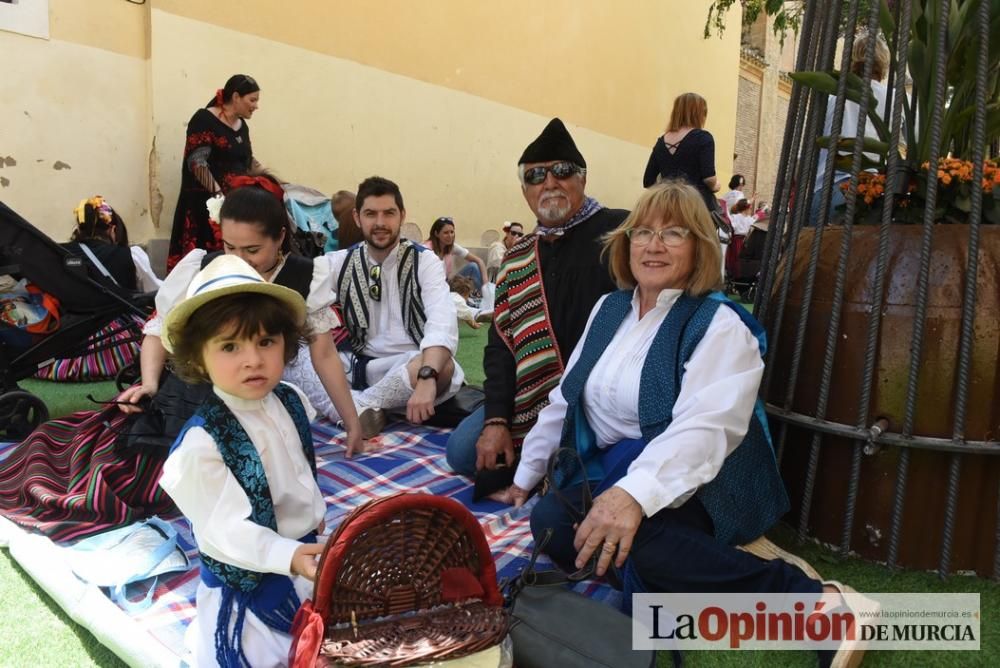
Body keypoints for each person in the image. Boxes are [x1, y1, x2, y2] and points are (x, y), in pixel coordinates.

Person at [490, 181, 868, 667]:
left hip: (707, 481)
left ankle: (815, 601)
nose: (653, 244)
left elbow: (706, 431)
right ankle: (686, 568)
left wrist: (631, 497)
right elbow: (566, 399)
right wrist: (525, 478)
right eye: (643, 232)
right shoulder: (609, 310)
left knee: (640, 545)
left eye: (673, 233)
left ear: (700, 247)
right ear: (625, 245)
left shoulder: (719, 324)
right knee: (552, 524)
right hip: (615, 469)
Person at [157, 254, 325, 667]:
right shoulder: (202, 443)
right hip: (247, 580)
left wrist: (312, 517)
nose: (253, 359)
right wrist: (284, 554)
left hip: (304, 558)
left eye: (266, 341)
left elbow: (299, 469)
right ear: (198, 359)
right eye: (230, 346)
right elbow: (223, 530)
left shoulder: (290, 399)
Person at [445, 118, 628, 494]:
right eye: (536, 176)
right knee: (462, 452)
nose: (549, 183)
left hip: (602, 399)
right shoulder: (519, 259)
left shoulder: (619, 235)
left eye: (562, 171)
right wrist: (496, 419)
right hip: (532, 401)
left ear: (583, 178)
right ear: (524, 190)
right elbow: (499, 346)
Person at [121, 182, 363, 454]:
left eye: (252, 250)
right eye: (230, 247)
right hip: (198, 394)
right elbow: (158, 329)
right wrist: (150, 383)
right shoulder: (201, 267)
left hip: (258, 388)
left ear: (280, 237)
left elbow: (325, 355)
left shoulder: (306, 277)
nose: (239, 259)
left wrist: (352, 423)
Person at [294, 176, 462, 446]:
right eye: (371, 214)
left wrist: (427, 376)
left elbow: (442, 320)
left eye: (389, 213)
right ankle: (361, 410)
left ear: (402, 216)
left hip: (409, 370)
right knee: (295, 352)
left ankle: (355, 407)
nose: (380, 223)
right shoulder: (338, 262)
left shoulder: (424, 261)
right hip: (356, 368)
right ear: (357, 218)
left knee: (444, 368)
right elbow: (299, 282)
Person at [34, 196, 143, 382]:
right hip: (116, 334)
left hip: (67, 334)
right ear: (113, 229)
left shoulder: (59, 254)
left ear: (78, 228)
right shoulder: (130, 255)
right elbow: (155, 291)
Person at [167, 74, 263, 271]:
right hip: (205, 208)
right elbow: (197, 163)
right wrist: (219, 196)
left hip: (234, 206)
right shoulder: (204, 120)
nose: (256, 106)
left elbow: (247, 161)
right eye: (252, 100)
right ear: (236, 97)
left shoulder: (242, 126)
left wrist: (272, 181)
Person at [811, 32, 893, 224]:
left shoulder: (833, 96)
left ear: (854, 58)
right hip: (873, 194)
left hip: (827, 191)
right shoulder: (894, 100)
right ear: (885, 63)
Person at [642, 92, 720, 212]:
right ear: (698, 114)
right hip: (696, 206)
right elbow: (709, 178)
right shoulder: (703, 137)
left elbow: (648, 181)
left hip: (667, 207)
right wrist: (716, 185)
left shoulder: (661, 142)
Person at [425, 217, 488, 290]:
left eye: (452, 232)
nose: (450, 236)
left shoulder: (451, 247)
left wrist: (486, 284)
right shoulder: (426, 249)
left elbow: (479, 261)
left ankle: (487, 296)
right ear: (436, 233)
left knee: (473, 267)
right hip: (432, 287)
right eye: (446, 233)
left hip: (447, 284)